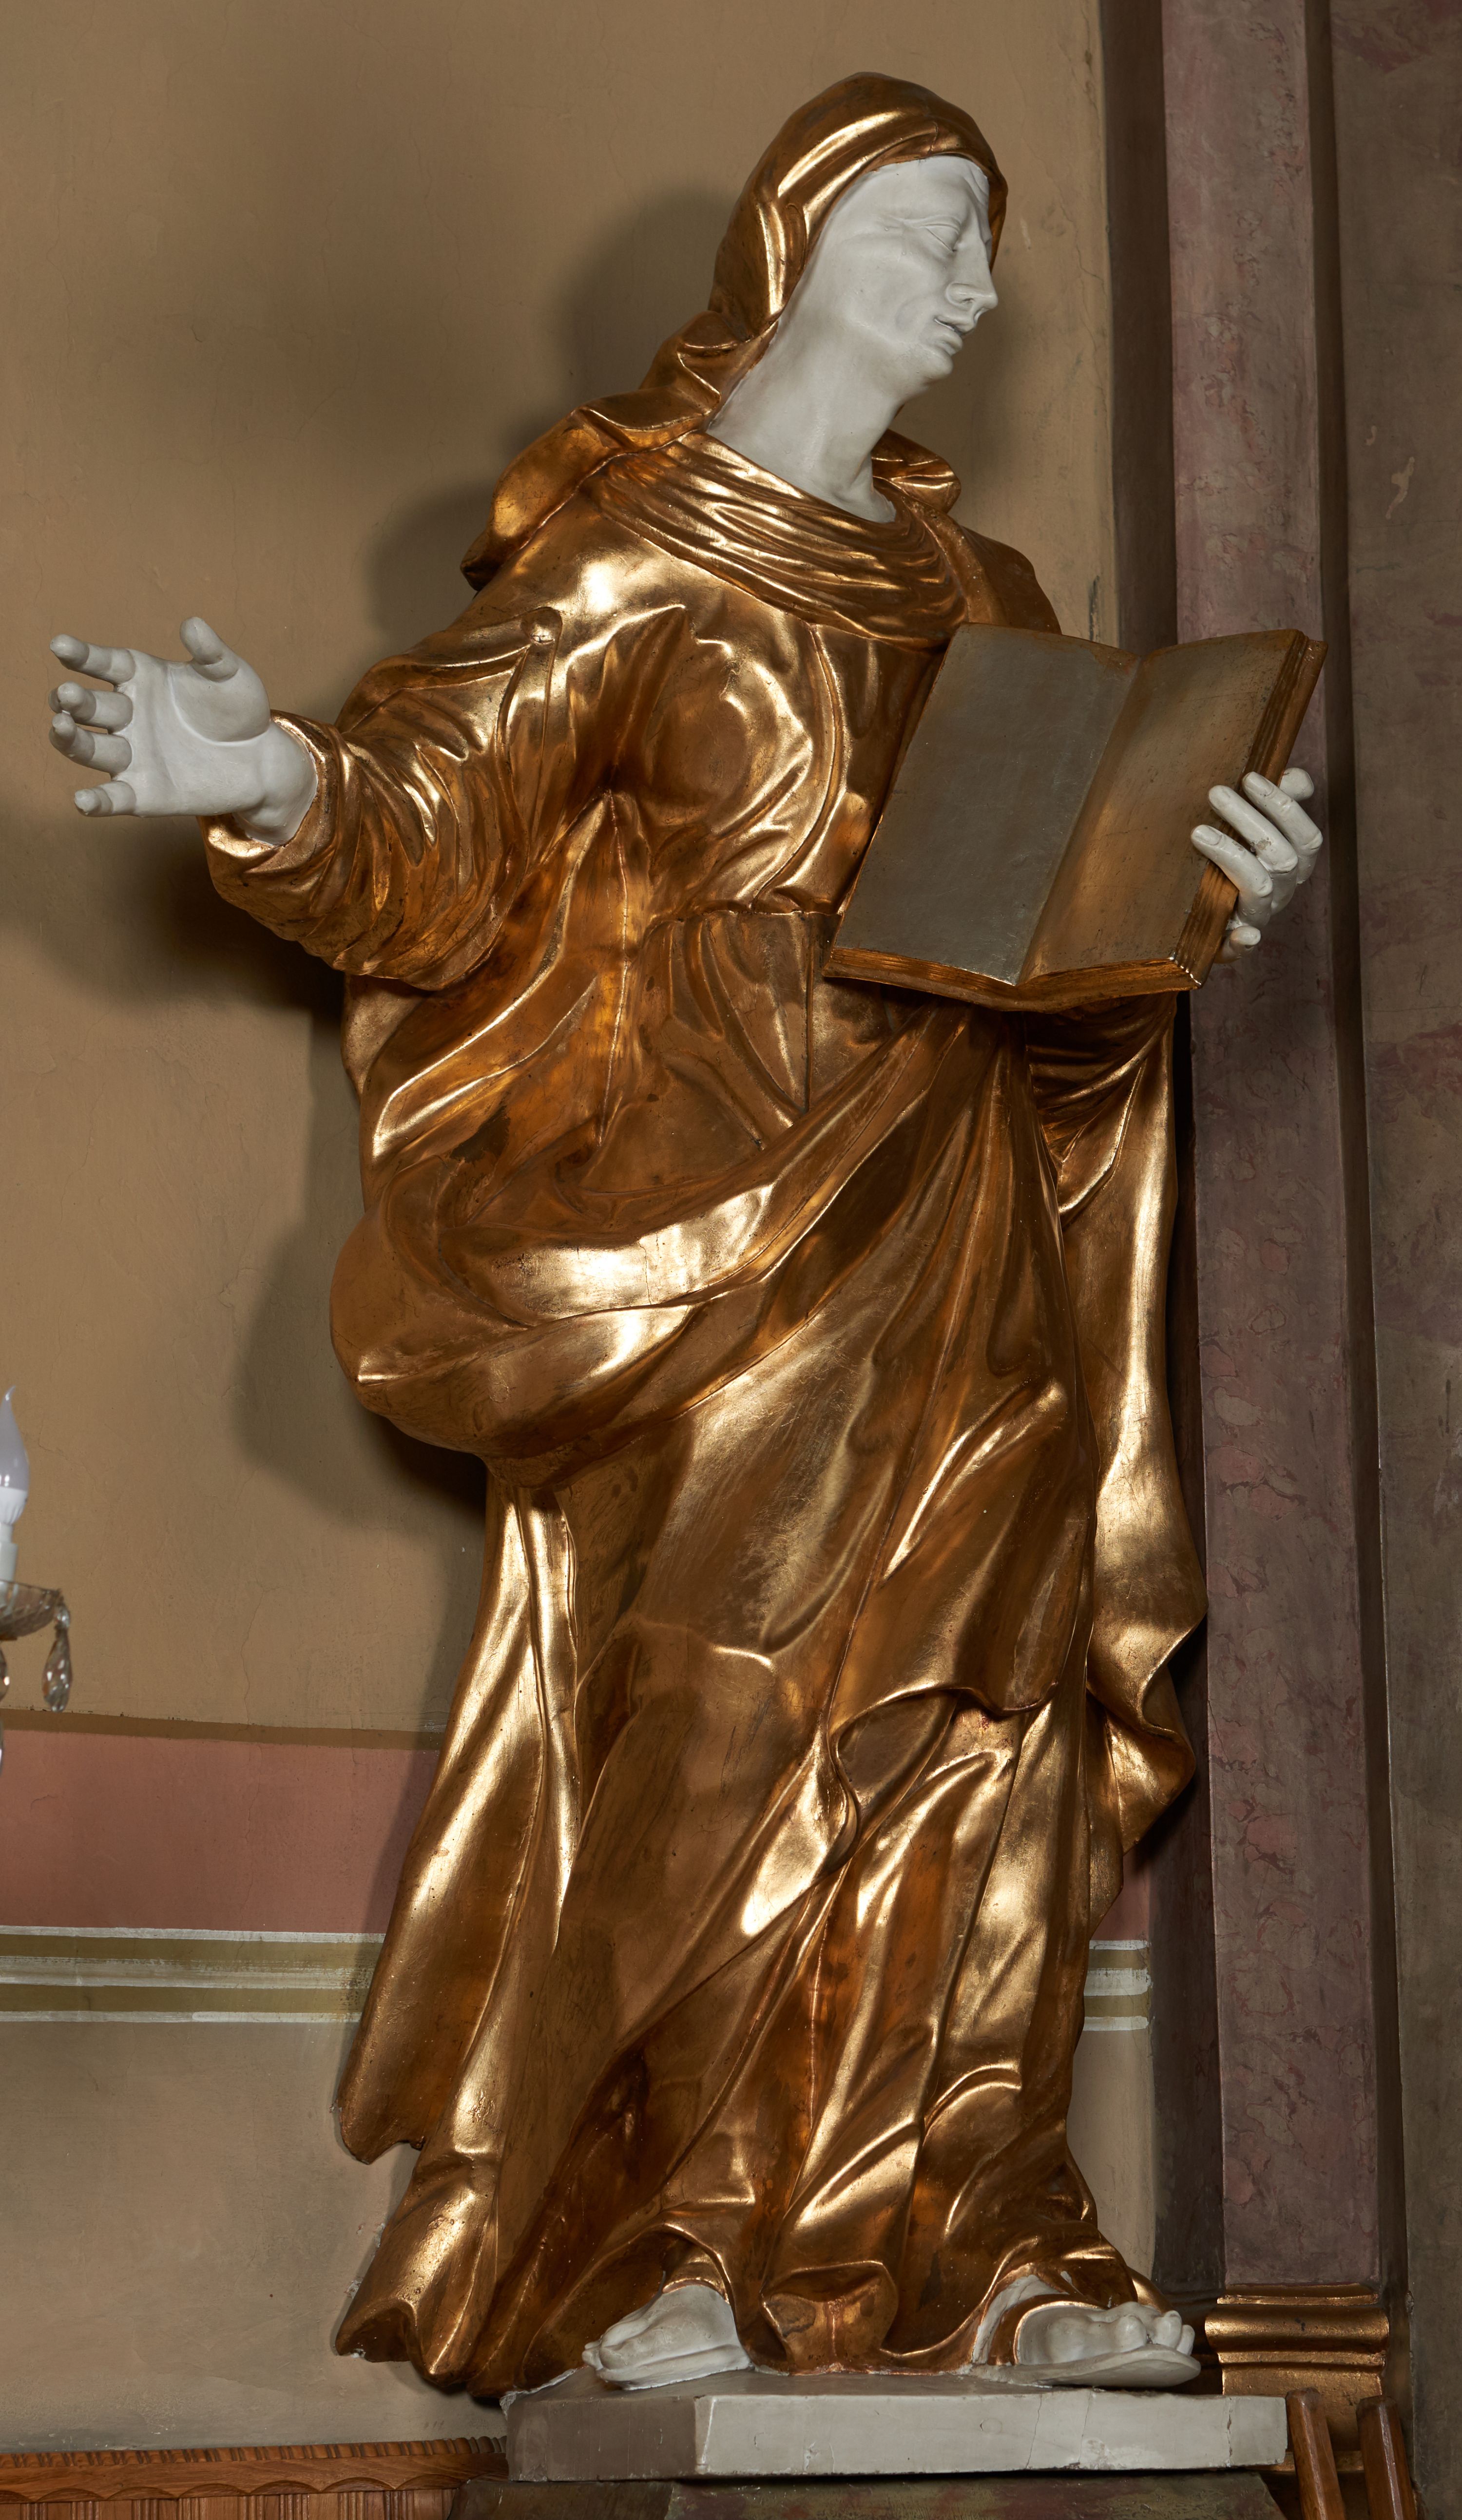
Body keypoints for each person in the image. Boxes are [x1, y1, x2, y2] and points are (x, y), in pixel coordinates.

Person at [45, 75, 1321, 2395]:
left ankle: (983, 2240)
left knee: (979, 1730)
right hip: (714, 1255)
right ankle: (668, 2237)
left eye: (991, 244)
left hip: (971, 1234)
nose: (973, 287)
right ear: (796, 243)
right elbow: (439, 830)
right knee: (719, 1718)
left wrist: (1197, 897)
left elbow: (1062, 958)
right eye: (928, 232)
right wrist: (265, 776)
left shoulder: (991, 606)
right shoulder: (642, 558)